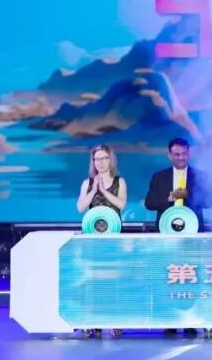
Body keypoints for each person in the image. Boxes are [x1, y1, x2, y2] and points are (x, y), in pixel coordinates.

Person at [144, 137, 212, 337]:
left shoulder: (200, 176)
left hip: (192, 237)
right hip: (167, 237)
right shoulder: (159, 177)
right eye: (176, 154)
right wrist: (170, 197)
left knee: (192, 276)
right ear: (169, 155)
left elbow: (209, 201)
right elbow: (149, 203)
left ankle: (191, 320)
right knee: (169, 276)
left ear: (189, 153)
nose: (181, 157)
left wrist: (188, 194)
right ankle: (170, 320)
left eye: (184, 154)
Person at [75, 144, 127, 338]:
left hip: (113, 239)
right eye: (97, 159)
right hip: (92, 240)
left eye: (104, 158)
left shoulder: (119, 181)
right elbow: (81, 208)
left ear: (110, 160)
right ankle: (93, 322)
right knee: (93, 280)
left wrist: (104, 191)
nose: (101, 162)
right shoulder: (87, 183)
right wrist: (93, 190)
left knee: (113, 280)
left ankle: (115, 320)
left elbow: (121, 204)